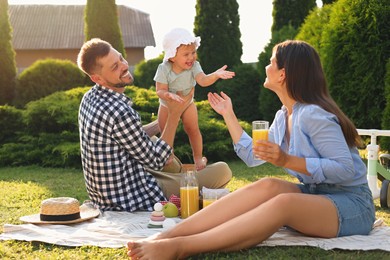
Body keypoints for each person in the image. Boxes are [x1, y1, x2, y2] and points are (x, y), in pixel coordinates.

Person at [127, 40, 375, 259]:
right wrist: (229, 114)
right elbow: (252, 155)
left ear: (283, 74)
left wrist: (287, 160)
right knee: (268, 184)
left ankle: (181, 247)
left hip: (352, 205)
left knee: (284, 203)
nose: (266, 66)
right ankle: (167, 236)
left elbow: (346, 169)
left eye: (271, 62)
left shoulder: (313, 115)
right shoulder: (284, 116)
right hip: (318, 193)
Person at [77, 38, 232, 212]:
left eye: (120, 58)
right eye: (114, 67)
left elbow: (129, 137)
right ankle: (190, 191)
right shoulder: (119, 111)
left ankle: (189, 183)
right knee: (223, 170)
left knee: (153, 140)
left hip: (112, 191)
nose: (124, 65)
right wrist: (174, 114)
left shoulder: (89, 98)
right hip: (135, 195)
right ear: (97, 78)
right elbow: (159, 160)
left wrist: (162, 122)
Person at [154, 28, 235, 170]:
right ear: (172, 56)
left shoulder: (194, 67)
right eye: (186, 54)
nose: (191, 57)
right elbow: (160, 90)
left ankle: (198, 158)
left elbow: (203, 80)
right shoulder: (164, 68)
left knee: (193, 129)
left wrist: (215, 75)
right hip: (167, 105)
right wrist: (168, 95)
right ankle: (169, 156)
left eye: (193, 52)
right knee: (165, 130)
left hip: (187, 103)